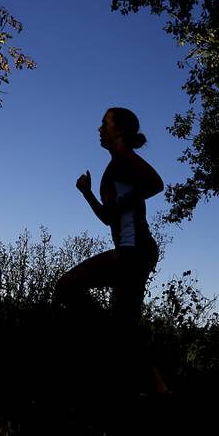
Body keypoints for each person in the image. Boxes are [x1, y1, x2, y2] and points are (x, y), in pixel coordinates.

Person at [54, 107, 170, 396]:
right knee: (125, 325)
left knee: (67, 287)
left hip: (134, 251)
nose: (100, 129)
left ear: (120, 130)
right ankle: (157, 388)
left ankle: (111, 345)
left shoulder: (124, 158)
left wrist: (125, 201)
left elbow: (156, 184)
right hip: (133, 251)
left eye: (105, 124)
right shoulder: (114, 167)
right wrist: (87, 194)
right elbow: (108, 217)